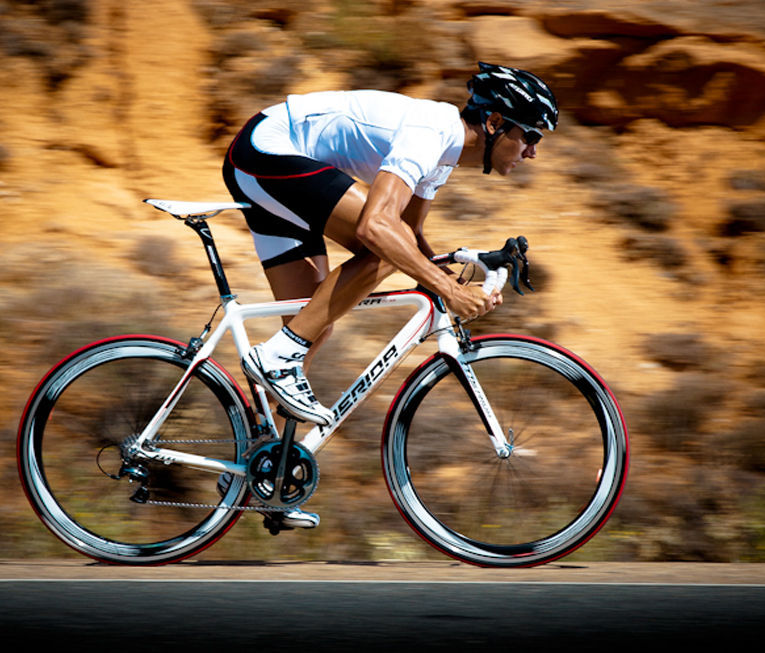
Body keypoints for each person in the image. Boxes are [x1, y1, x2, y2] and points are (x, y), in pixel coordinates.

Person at [222, 62, 558, 527]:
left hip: (268, 162)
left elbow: (413, 236)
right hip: (266, 149)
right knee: (377, 251)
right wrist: (445, 288)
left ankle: (263, 473)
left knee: (314, 322)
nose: (534, 152)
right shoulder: (431, 132)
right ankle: (277, 356)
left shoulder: (443, 158)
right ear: (496, 123)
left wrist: (461, 277)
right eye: (531, 136)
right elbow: (379, 228)